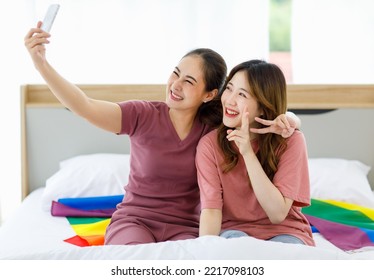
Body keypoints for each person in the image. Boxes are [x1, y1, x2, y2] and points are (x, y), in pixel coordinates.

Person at [24, 22, 300, 245]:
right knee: (131, 262)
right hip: (135, 220)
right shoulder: (141, 115)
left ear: (209, 94)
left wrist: (289, 119)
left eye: (189, 81)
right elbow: (84, 106)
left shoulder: (215, 126)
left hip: (188, 227)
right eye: (175, 73)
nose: (175, 85)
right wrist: (41, 65)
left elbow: (260, 119)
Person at [196, 60, 315, 246]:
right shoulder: (209, 145)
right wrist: (204, 252)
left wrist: (248, 153)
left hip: (285, 232)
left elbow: (277, 214)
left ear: (263, 104)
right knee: (238, 248)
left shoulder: (291, 141)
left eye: (242, 94)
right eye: (229, 88)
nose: (229, 100)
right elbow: (211, 211)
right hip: (233, 232)